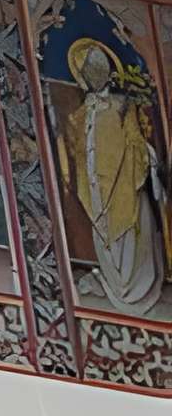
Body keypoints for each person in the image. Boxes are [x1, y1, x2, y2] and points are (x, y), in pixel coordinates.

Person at [56, 40, 166, 316]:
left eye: (98, 68)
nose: (95, 74)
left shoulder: (121, 105)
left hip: (123, 180)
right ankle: (115, 285)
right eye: (89, 70)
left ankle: (136, 290)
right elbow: (78, 151)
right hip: (94, 184)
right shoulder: (80, 115)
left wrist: (138, 166)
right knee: (104, 234)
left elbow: (135, 140)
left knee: (129, 230)